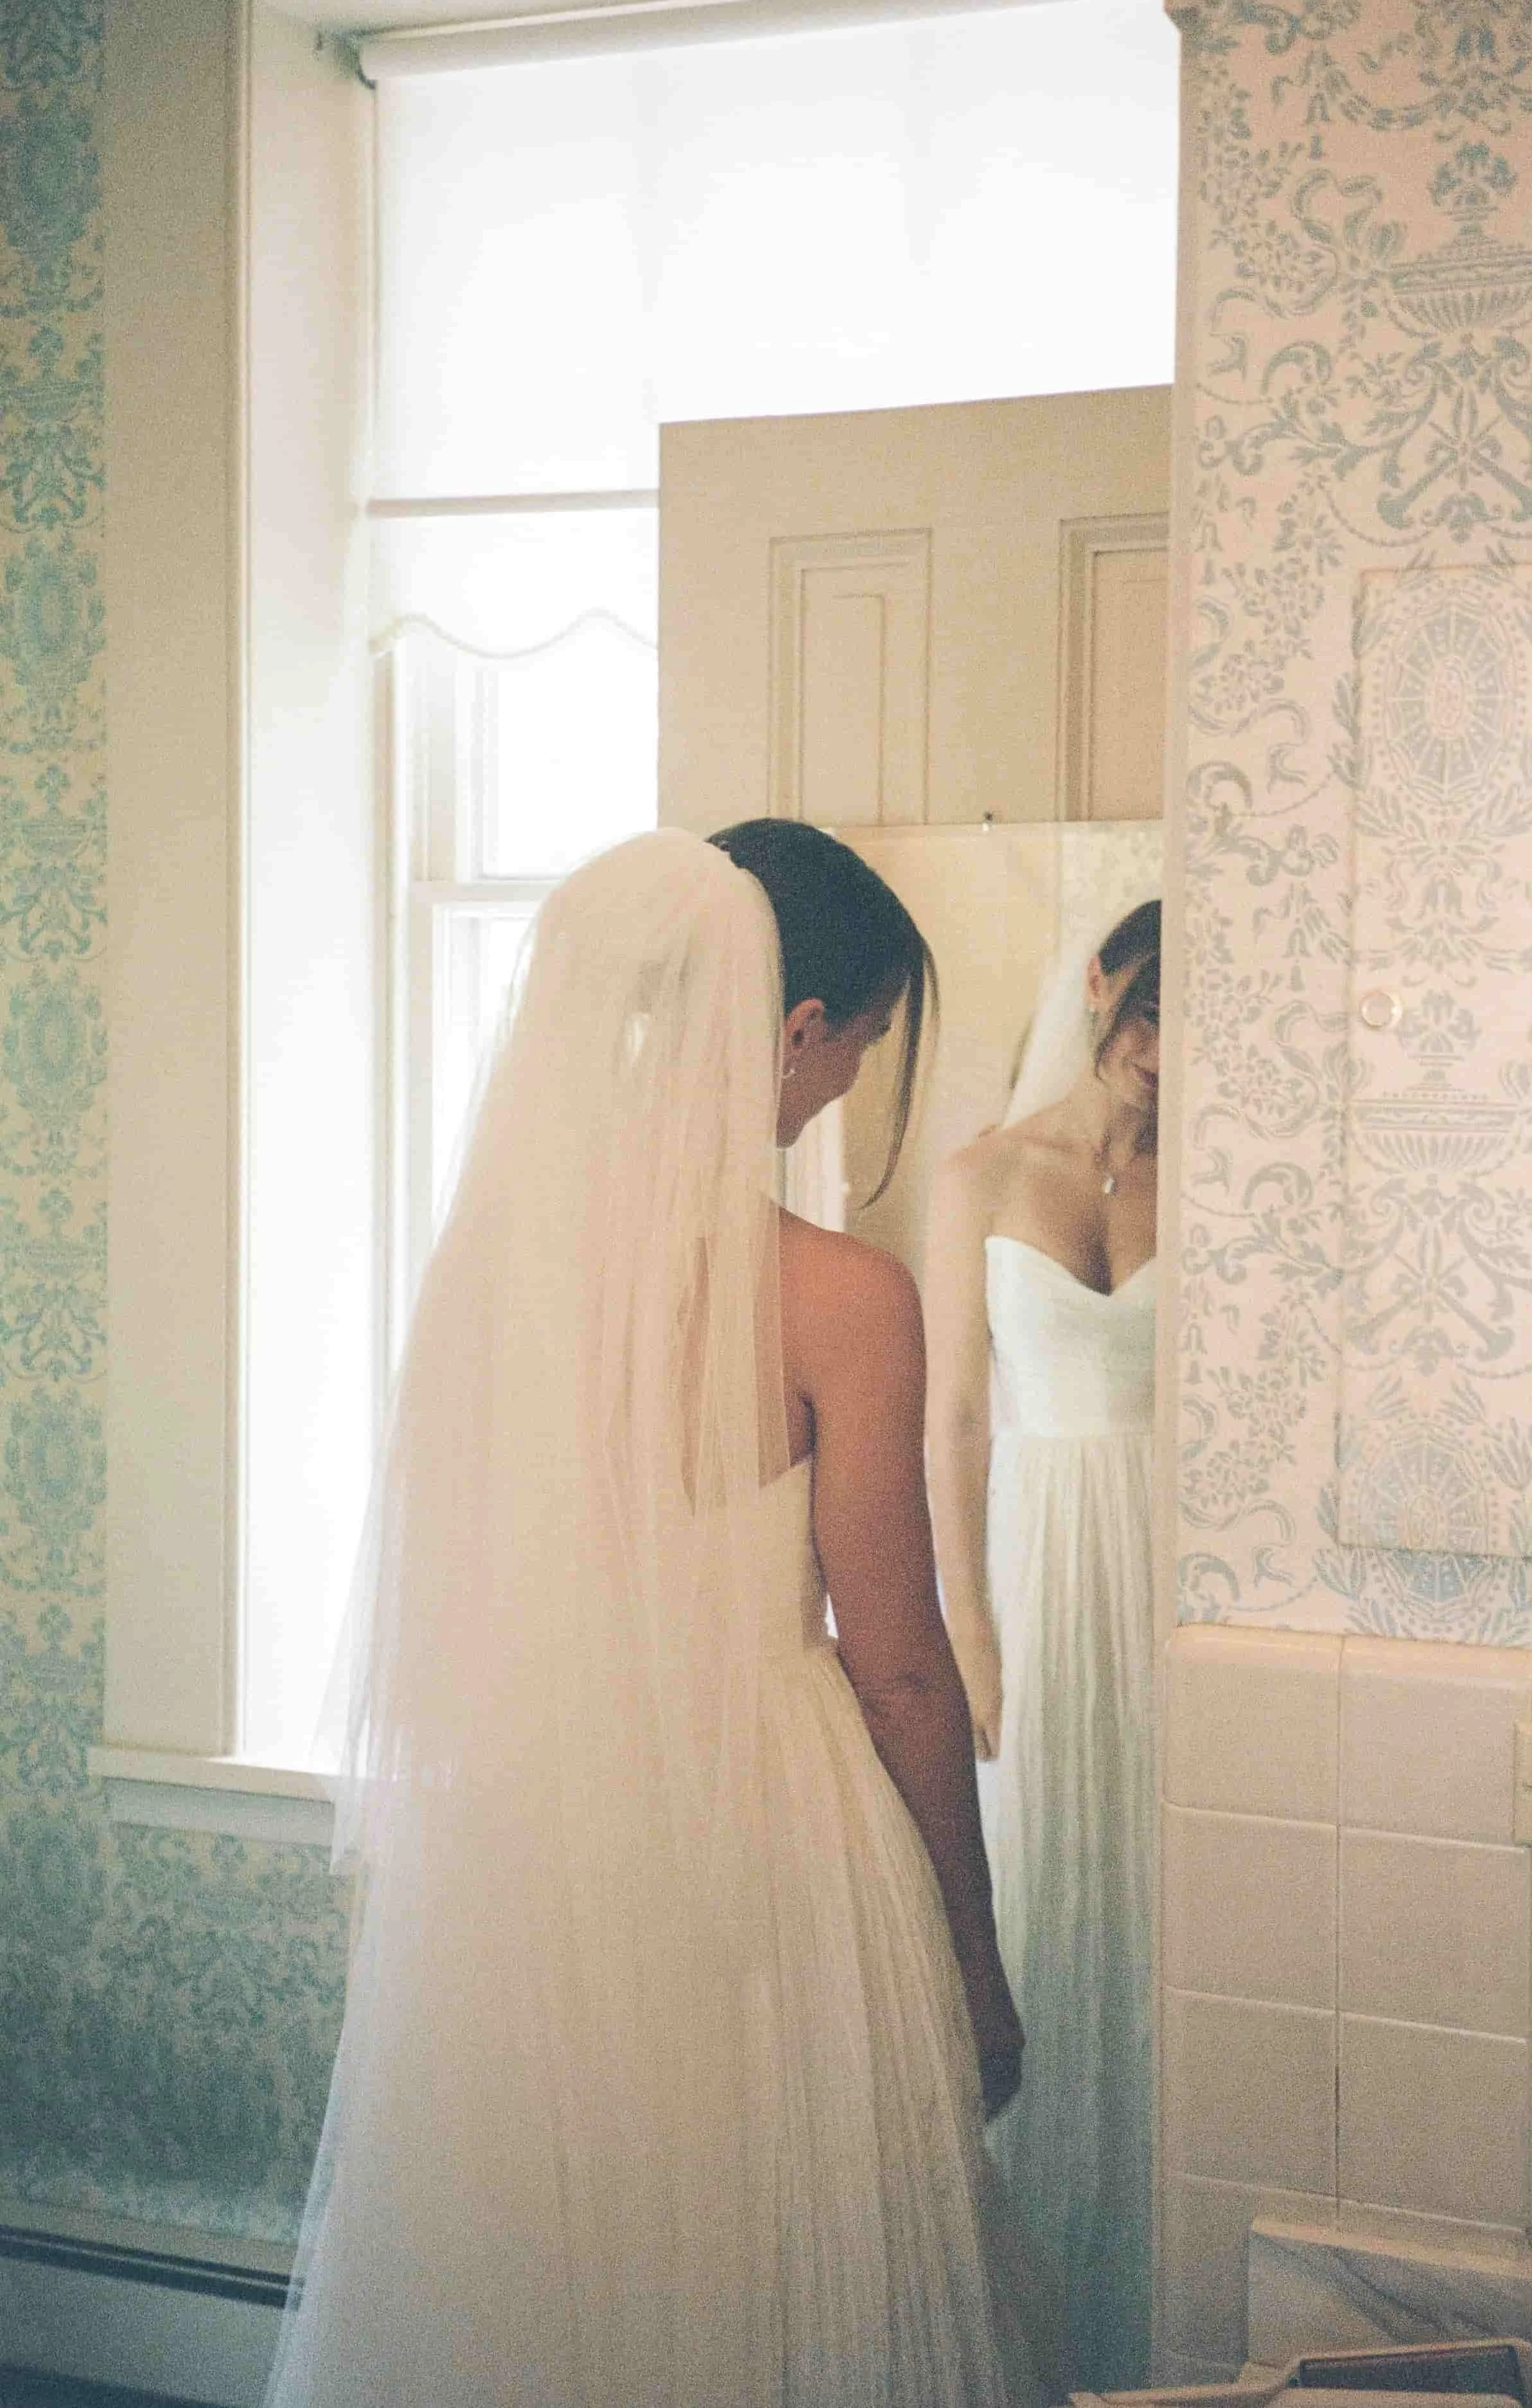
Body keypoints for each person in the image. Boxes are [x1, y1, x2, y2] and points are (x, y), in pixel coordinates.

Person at [268, 822, 1046, 2408]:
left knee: (549, 2262)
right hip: (763, 1837)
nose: (843, 1094)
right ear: (790, 1030)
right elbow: (901, 1669)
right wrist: (972, 1954)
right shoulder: (838, 1295)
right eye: (860, 1050)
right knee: (769, 2272)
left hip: (533, 1835)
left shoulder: (487, 1271)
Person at [925, 899, 1161, 2396]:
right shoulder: (982, 1174)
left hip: (1163, 1565)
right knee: (1037, 1910)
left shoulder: (1225, 1174)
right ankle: (1024, 2345)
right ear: (1095, 981)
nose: (1157, 1058)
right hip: (1028, 1560)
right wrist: (965, 1628)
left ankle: (1152, 2332)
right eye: (1144, 1019)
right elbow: (951, 1414)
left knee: (1153, 1920)